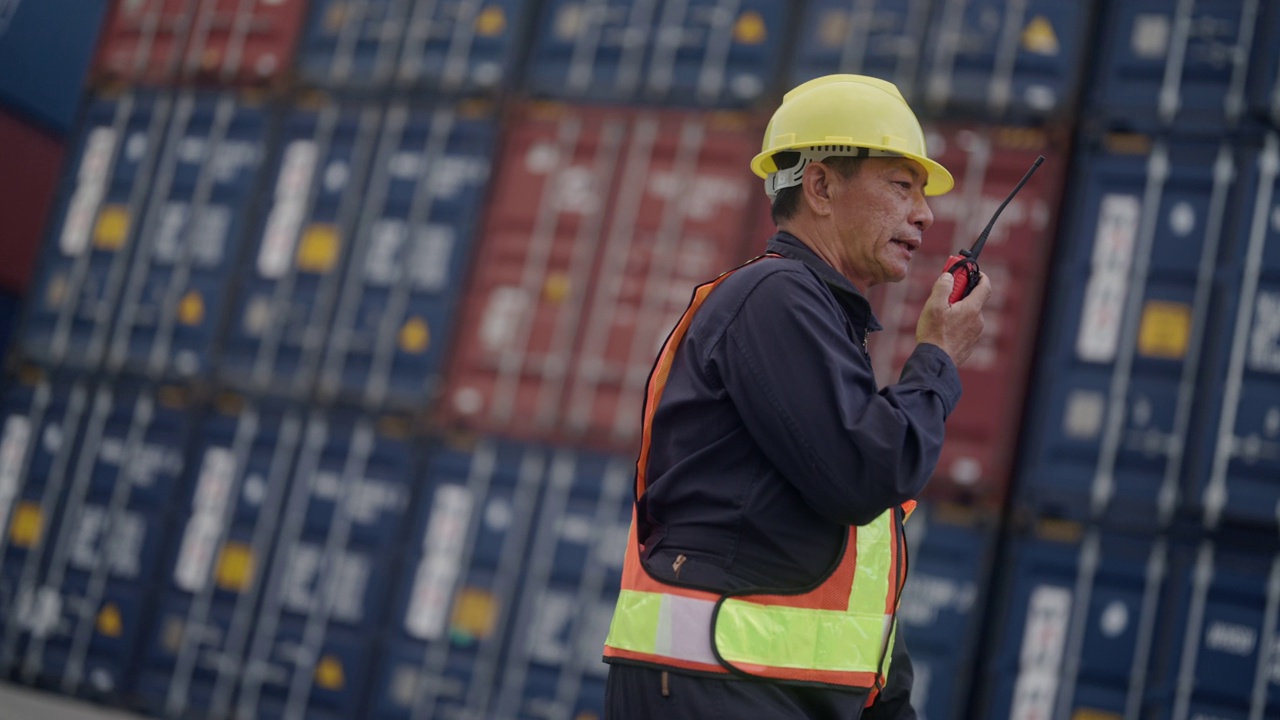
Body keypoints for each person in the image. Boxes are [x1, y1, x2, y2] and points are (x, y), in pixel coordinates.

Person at [601, 74, 993, 719]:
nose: (924, 213)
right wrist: (938, 358)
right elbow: (868, 476)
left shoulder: (816, 319)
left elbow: (842, 561)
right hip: (715, 687)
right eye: (902, 185)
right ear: (819, 187)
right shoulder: (776, 298)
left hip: (759, 688)